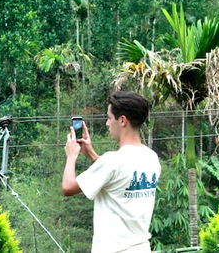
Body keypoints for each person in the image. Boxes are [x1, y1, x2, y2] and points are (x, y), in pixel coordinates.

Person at [62, 91, 161, 253]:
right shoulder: (151, 158)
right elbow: (119, 177)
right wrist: (91, 154)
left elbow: (68, 187)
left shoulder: (111, 161)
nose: (107, 124)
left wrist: (71, 155)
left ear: (122, 120)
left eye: (109, 118)